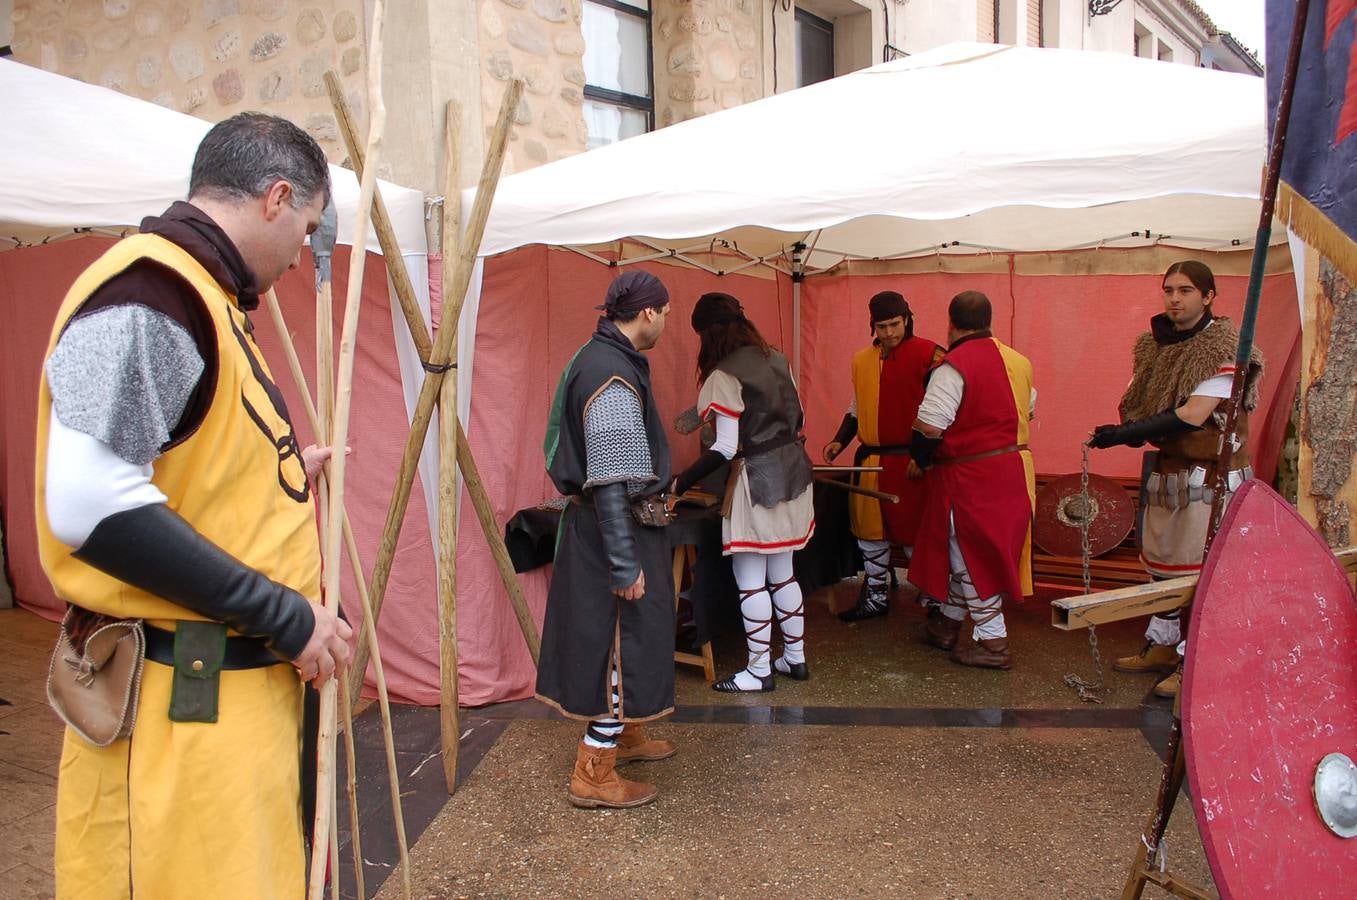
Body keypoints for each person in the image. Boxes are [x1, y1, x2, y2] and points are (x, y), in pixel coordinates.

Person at [36, 113, 353, 896]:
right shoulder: (153, 290)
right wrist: (286, 615)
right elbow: (89, 502)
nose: (299, 254)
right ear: (277, 197)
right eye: (307, 228)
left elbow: (175, 462)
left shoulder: (203, 296)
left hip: (223, 716)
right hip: (184, 715)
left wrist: (271, 473)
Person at [535, 271, 679, 810]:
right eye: (665, 312)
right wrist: (624, 562)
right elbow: (612, 478)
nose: (665, 322)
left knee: (631, 636)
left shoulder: (600, 355)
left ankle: (628, 730)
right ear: (648, 313)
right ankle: (594, 770)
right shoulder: (610, 372)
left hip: (608, 527)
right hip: (611, 532)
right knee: (619, 640)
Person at [1089, 260, 1262, 699]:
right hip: (1171, 472)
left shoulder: (1227, 347)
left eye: (1186, 291)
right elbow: (1138, 403)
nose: (1174, 299)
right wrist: (1130, 427)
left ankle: (1195, 659)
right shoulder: (1153, 346)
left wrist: (1126, 434)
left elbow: (1193, 414)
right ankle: (1163, 644)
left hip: (1212, 478)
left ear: (1208, 297)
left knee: (1202, 574)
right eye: (1168, 289)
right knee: (1164, 569)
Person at [670, 293, 816, 692]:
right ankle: (795, 658)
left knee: (751, 577)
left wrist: (678, 484)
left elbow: (724, 447)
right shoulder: (779, 359)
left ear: (708, 334)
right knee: (783, 574)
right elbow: (797, 416)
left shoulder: (724, 374)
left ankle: (758, 670)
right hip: (795, 473)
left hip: (759, 480)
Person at [908, 291, 1035, 670]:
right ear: (989, 320)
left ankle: (993, 643)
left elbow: (929, 426)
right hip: (1013, 473)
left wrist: (921, 460)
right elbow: (1027, 408)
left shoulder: (953, 366)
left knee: (969, 558)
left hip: (970, 478)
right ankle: (946, 625)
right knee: (964, 554)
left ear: (951, 323)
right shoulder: (1019, 361)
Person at [823, 291, 943, 622]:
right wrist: (839, 441)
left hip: (912, 461)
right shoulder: (862, 360)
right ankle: (876, 595)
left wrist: (925, 456)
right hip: (871, 460)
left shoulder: (930, 355)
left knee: (915, 534)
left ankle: (934, 599)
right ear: (872, 325)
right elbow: (858, 406)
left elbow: (944, 409)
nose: (888, 332)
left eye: (894, 324)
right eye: (881, 326)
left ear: (907, 319)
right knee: (869, 532)